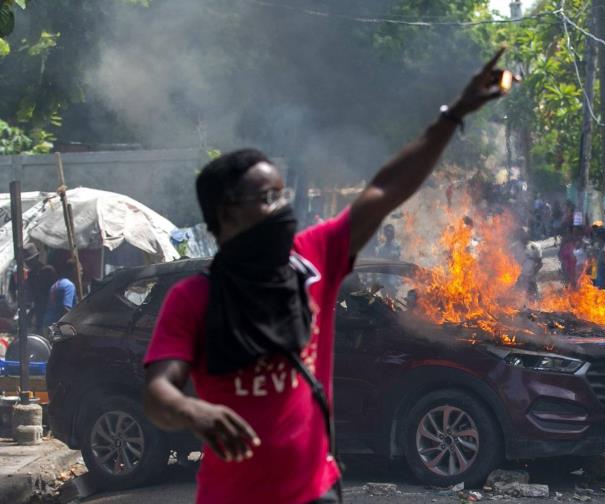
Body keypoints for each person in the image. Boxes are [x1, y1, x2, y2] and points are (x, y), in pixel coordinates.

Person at [142, 50, 510, 504]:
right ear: (227, 215)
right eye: (266, 198)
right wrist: (191, 410)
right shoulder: (192, 298)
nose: (283, 208)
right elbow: (159, 393)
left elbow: (386, 188)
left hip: (316, 493)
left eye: (282, 195)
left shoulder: (316, 258)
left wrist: (453, 115)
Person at [43, 261, 76, 328]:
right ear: (73, 270)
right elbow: (66, 308)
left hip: (48, 323)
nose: (81, 273)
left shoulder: (56, 283)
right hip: (58, 326)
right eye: (80, 270)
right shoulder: (69, 285)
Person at [513, 227, 543, 298]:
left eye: (525, 233)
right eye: (521, 234)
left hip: (531, 279)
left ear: (528, 234)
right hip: (519, 280)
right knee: (518, 300)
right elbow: (510, 264)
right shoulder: (514, 247)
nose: (523, 235)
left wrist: (532, 274)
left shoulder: (535, 247)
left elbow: (540, 263)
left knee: (533, 299)